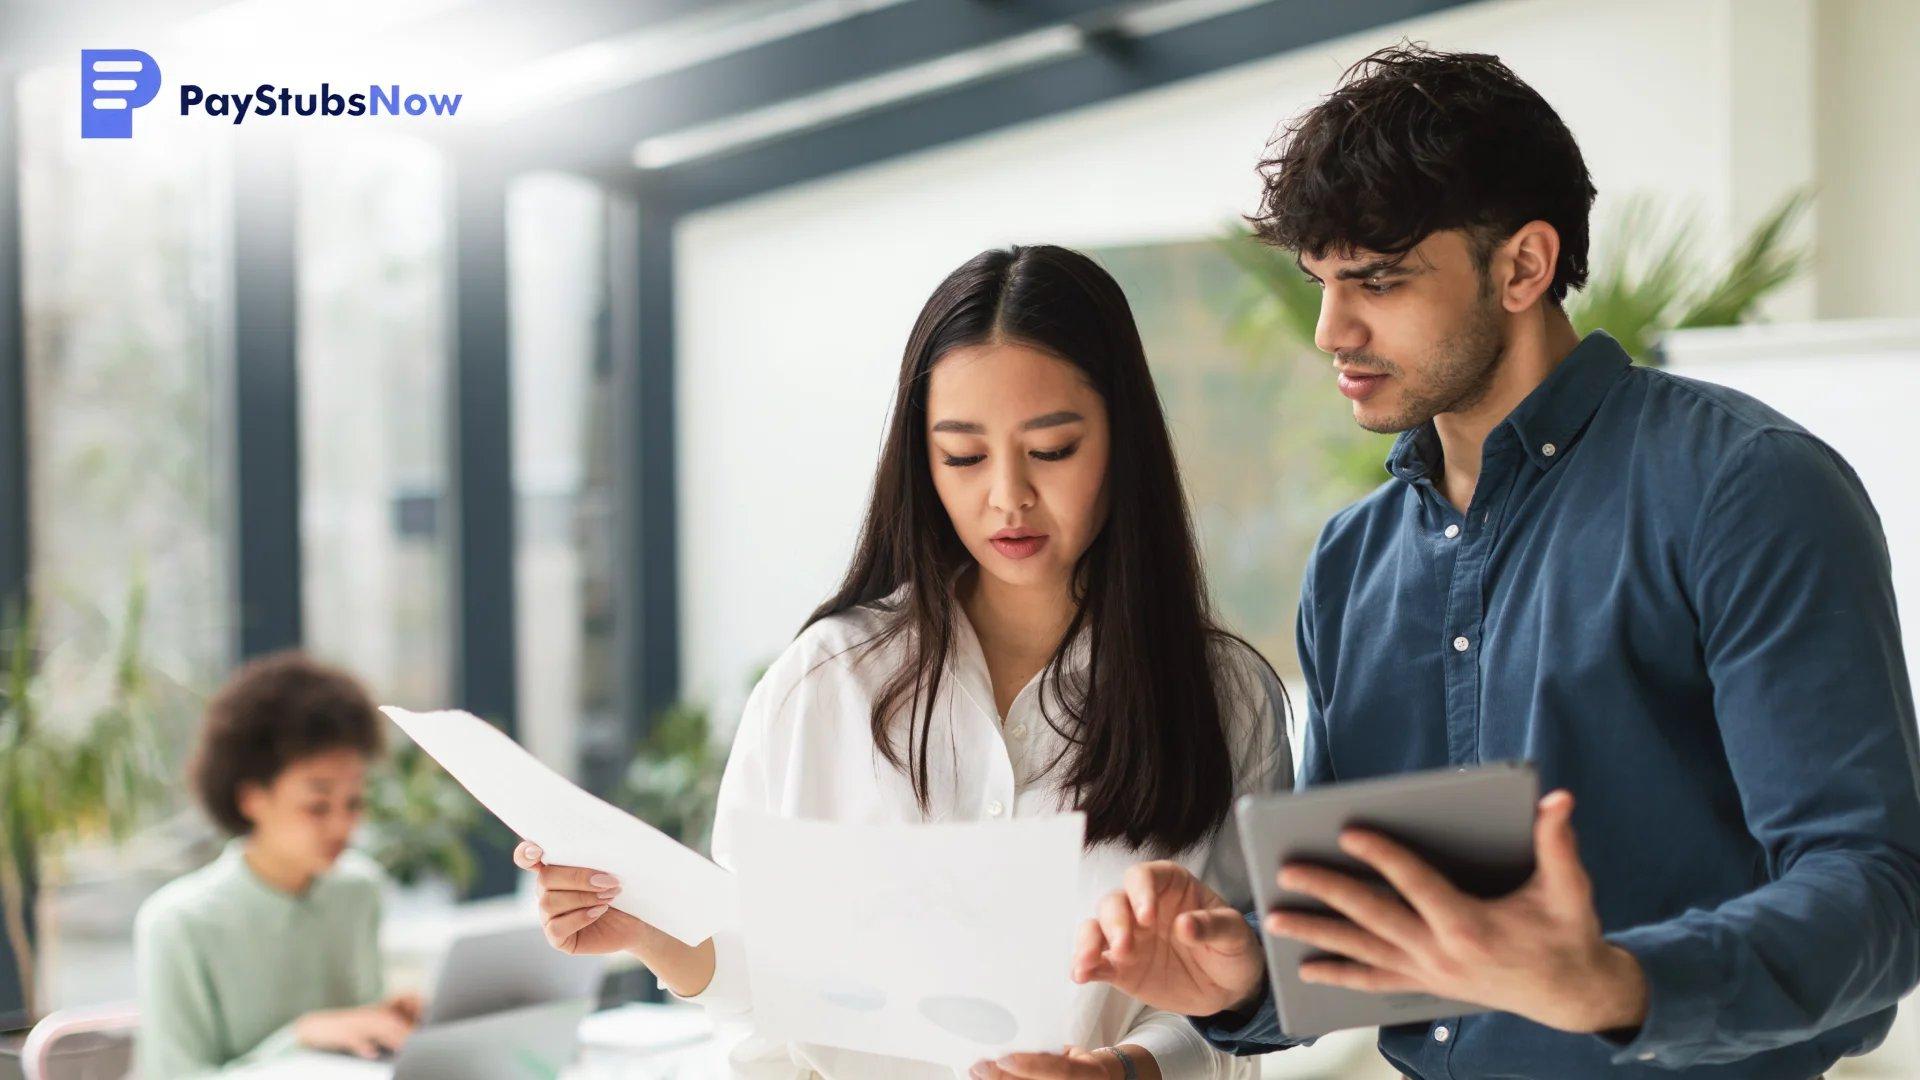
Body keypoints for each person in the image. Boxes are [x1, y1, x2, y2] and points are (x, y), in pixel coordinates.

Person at [1075, 43, 1920, 1079]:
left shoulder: (1746, 491)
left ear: (1522, 265)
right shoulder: (1353, 561)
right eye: (1324, 284)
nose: (1332, 330)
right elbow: (1368, 936)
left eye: (1378, 281)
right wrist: (1244, 979)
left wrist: (1617, 984)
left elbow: (1876, 890)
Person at [514, 244, 1289, 1079]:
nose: (1007, 496)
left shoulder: (1225, 697)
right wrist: (645, 930)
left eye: (1054, 449)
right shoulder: (829, 679)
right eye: (962, 456)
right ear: (921, 460)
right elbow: (764, 988)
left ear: (1122, 442)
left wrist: (1127, 1072)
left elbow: (1246, 1008)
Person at [135, 651, 421, 1077]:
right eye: (317, 805)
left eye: (354, 801)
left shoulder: (359, 891)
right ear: (252, 798)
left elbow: (359, 1054)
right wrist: (302, 1037)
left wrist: (386, 1022)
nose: (343, 825)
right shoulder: (179, 923)